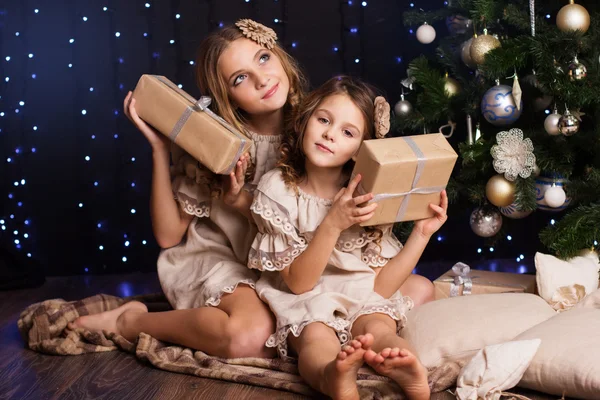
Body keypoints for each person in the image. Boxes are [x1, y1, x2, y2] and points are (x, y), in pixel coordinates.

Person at [70, 19, 307, 359]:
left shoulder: (318, 130)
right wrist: (160, 150)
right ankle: (131, 322)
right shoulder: (216, 145)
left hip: (282, 268)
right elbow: (168, 236)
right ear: (228, 96)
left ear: (280, 56)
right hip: (220, 260)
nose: (261, 79)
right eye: (240, 78)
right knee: (251, 337)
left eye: (263, 58)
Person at [248, 76, 448, 399]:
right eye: (324, 120)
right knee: (315, 337)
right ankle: (332, 375)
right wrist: (332, 223)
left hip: (359, 290)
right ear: (304, 121)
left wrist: (422, 234)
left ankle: (407, 366)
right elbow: (299, 284)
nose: (329, 134)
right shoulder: (278, 190)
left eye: (347, 132)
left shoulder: (369, 196)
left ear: (361, 150)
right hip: (305, 296)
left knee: (378, 327)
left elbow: (382, 286)